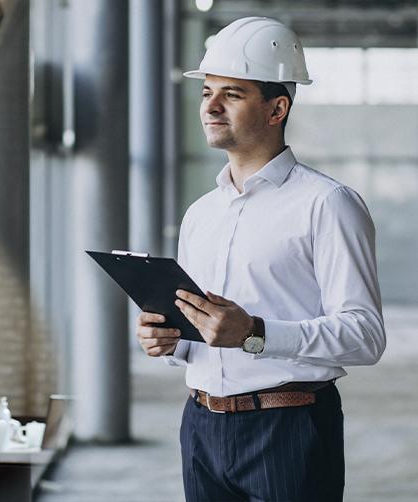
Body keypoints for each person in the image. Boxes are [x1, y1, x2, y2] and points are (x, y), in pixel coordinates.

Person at [135, 17, 385, 501]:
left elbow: (365, 336)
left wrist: (254, 333)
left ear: (277, 108)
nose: (209, 106)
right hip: (202, 427)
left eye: (232, 93)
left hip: (289, 427)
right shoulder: (200, 214)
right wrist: (170, 340)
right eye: (207, 91)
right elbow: (202, 337)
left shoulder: (327, 204)